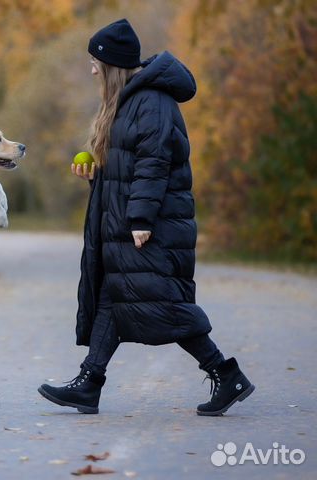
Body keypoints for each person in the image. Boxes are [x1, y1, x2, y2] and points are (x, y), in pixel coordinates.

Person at [37, 19, 255, 416]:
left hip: (150, 225)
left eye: (94, 62)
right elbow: (126, 168)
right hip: (129, 222)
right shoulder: (130, 102)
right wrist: (95, 177)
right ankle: (90, 382)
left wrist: (140, 219)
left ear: (113, 65)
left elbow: (154, 164)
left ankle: (226, 373)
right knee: (114, 299)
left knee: (163, 305)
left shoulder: (152, 102)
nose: (91, 70)